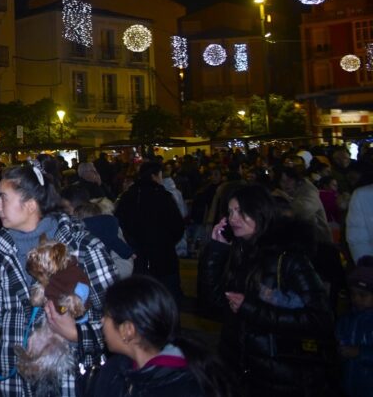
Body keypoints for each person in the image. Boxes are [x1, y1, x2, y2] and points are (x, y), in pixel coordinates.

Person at [0, 163, 117, 397]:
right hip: (14, 383)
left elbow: (119, 324)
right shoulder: (2, 250)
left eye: (3, 198)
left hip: (68, 383)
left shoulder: (84, 249)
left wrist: (77, 335)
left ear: (30, 205)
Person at [198, 184, 335, 395]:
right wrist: (216, 251)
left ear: (260, 211)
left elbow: (320, 319)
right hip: (240, 369)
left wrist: (250, 308)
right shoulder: (239, 251)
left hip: (281, 373)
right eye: (230, 212)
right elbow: (214, 304)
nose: (233, 218)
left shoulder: (289, 258)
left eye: (241, 211)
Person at [87, 275, 231, 397]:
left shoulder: (182, 387)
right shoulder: (117, 369)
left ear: (128, 330)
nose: (102, 321)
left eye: (106, 315)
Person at [114, 163, 184, 298]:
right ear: (154, 176)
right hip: (163, 255)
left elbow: (120, 224)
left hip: (137, 256)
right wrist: (168, 242)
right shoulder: (164, 196)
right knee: (168, 294)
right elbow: (177, 225)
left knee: (142, 296)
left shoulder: (128, 196)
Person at [337, 257, 373, 397]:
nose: (356, 299)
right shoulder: (347, 319)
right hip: (349, 387)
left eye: (363, 295)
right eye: (353, 294)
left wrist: (359, 353)